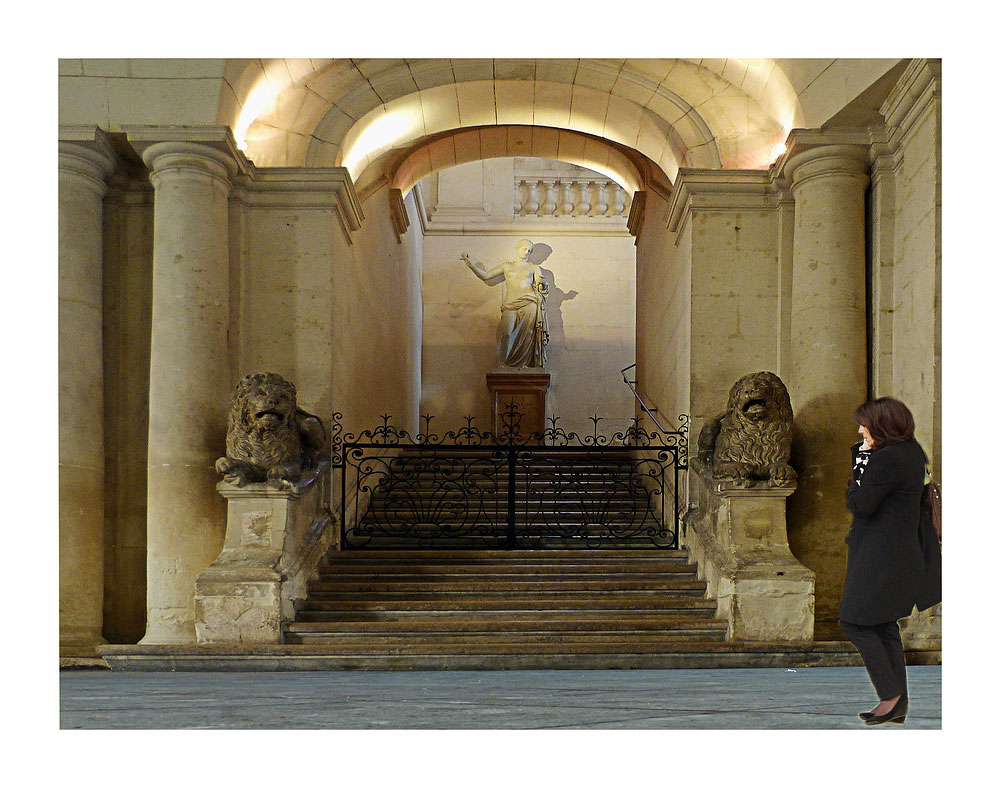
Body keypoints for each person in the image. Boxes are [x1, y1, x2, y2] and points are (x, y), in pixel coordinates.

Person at [839, 397, 941, 727]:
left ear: (881, 427)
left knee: (853, 621)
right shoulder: (913, 453)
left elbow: (861, 505)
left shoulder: (886, 460)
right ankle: (897, 704)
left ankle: (890, 695)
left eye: (864, 425)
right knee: (883, 625)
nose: (859, 430)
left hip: (879, 556)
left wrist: (858, 471)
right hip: (901, 552)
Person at [461, 239, 549, 368]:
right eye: (524, 248)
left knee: (529, 333)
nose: (526, 252)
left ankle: (525, 364)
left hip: (529, 301)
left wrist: (544, 285)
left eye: (529, 250)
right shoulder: (507, 266)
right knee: (507, 333)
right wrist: (472, 265)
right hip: (510, 303)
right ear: (517, 248)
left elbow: (541, 285)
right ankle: (504, 363)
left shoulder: (534, 268)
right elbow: (486, 276)